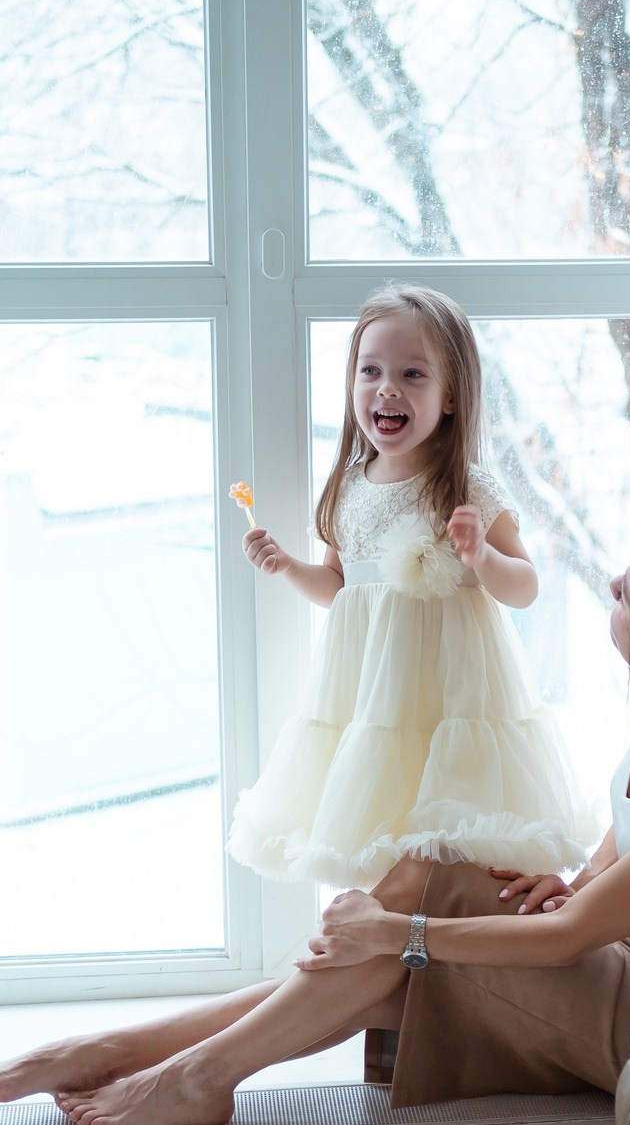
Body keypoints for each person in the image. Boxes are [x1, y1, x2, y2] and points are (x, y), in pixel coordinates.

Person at [0, 523, 630, 1125]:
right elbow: (606, 871)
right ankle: (134, 1058)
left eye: (626, 594)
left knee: (394, 938)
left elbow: (569, 940)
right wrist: (568, 883)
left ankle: (172, 1071)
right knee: (402, 922)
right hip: (614, 967)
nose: (611, 593)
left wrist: (399, 931)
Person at [226, 282, 593, 889]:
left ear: (450, 396)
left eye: (412, 374)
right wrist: (288, 567)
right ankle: (389, 931)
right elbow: (342, 589)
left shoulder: (467, 487)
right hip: (370, 695)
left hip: (452, 697)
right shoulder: (348, 487)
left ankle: (450, 924)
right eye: (370, 371)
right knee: (378, 833)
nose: (387, 388)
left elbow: (525, 587)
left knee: (455, 839)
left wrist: (481, 556)